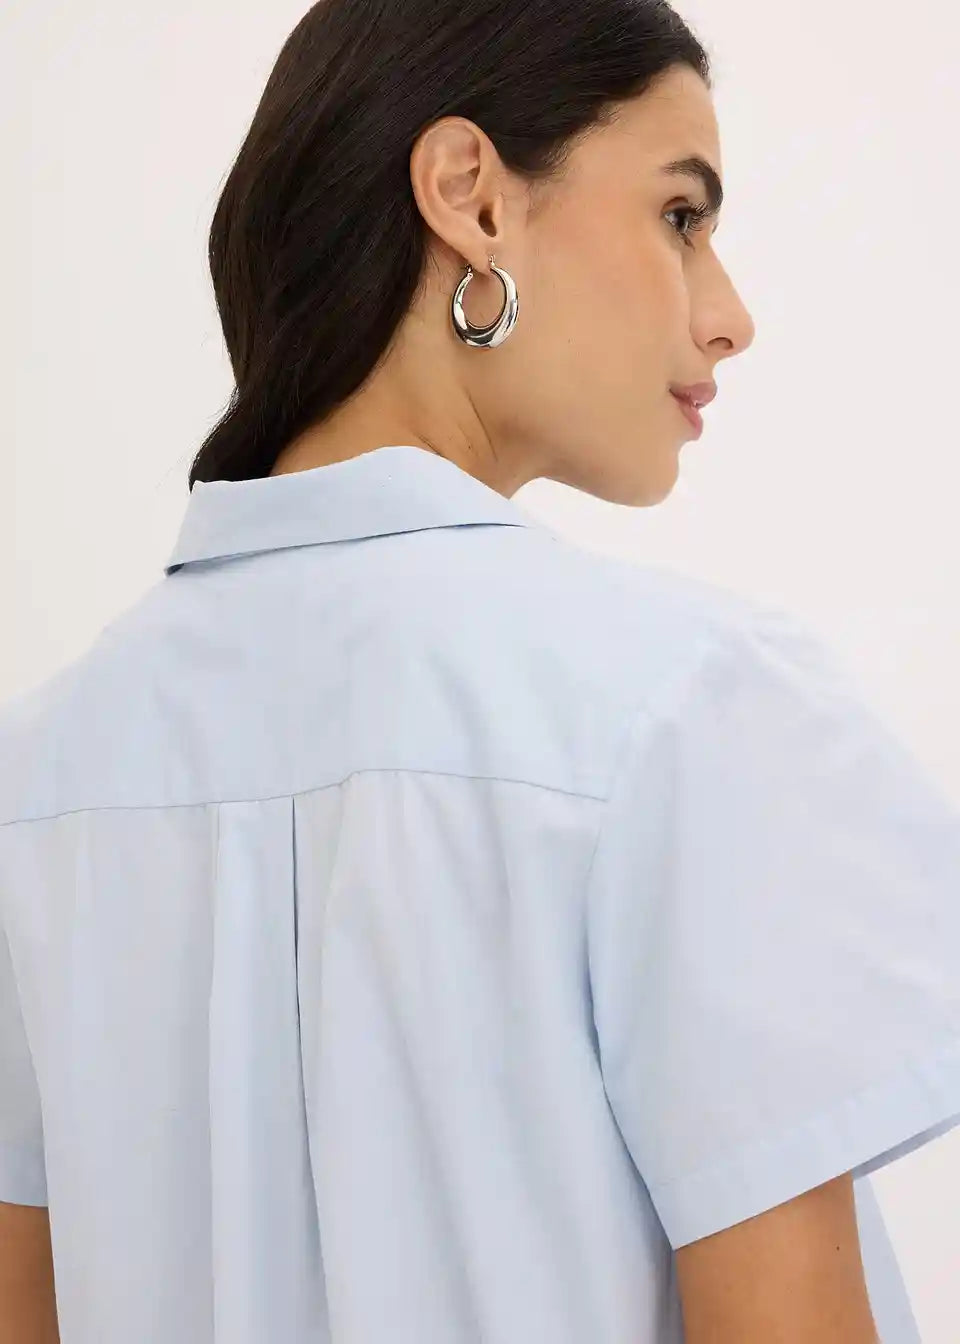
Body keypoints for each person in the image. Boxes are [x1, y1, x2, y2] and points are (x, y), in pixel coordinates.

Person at [2, 1, 959, 1340]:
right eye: (681, 215)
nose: (729, 315)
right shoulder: (687, 711)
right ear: (471, 196)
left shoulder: (38, 778)